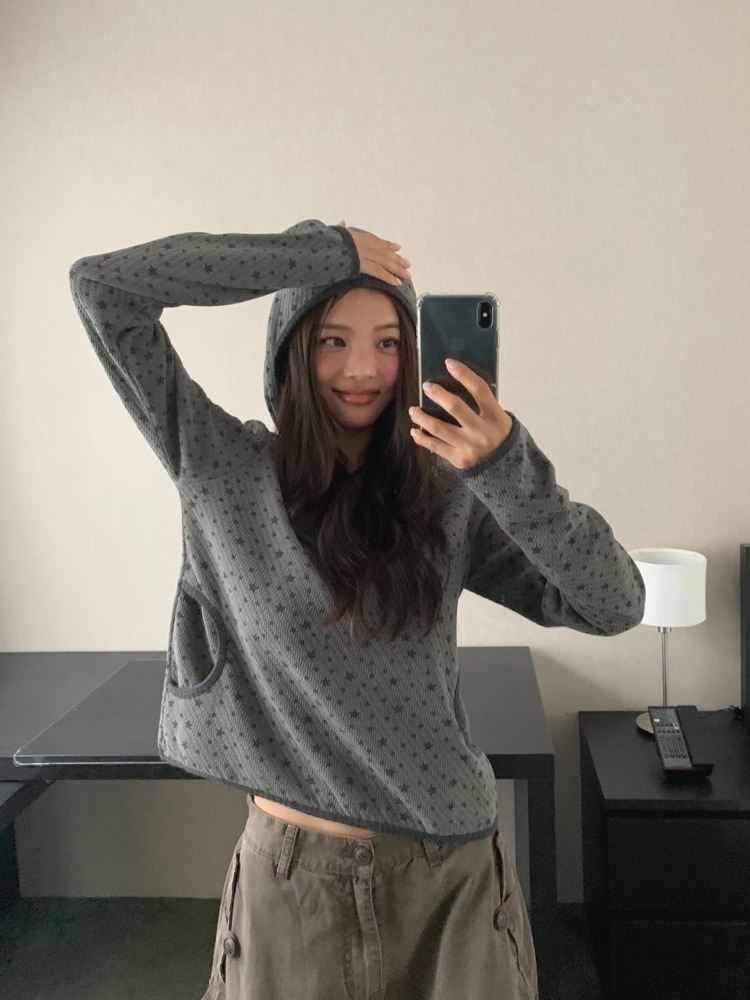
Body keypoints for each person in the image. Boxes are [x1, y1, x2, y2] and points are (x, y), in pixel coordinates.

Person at [70, 218, 645, 1000]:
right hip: (290, 882)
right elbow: (102, 288)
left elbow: (615, 603)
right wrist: (315, 255)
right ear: (291, 351)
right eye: (332, 340)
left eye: (389, 342)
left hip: (450, 878)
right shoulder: (221, 467)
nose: (363, 368)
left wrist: (504, 464)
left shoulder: (446, 494)